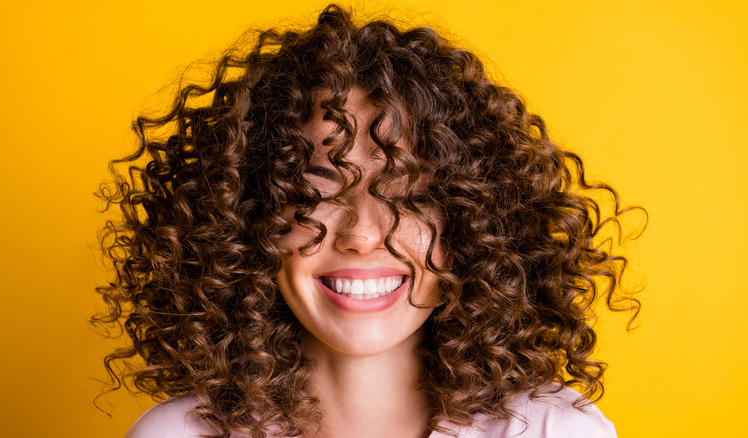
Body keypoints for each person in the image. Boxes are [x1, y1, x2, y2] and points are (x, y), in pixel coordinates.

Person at [95, 4, 643, 437]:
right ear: (249, 221)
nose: (361, 235)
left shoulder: (551, 432)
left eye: (409, 195)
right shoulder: (178, 436)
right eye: (317, 191)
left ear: (473, 225)